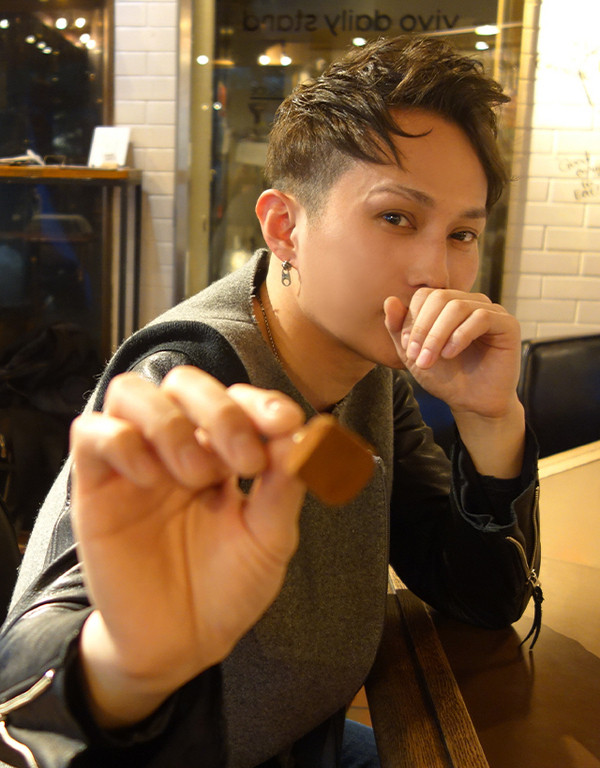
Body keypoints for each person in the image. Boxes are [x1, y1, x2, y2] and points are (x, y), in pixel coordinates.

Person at [0, 35, 541, 768]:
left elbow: (479, 594)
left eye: (463, 233)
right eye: (396, 217)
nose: (436, 270)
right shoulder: (193, 378)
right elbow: (22, 696)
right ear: (285, 227)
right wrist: (124, 666)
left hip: (308, 742)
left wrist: (490, 418)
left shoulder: (369, 369)